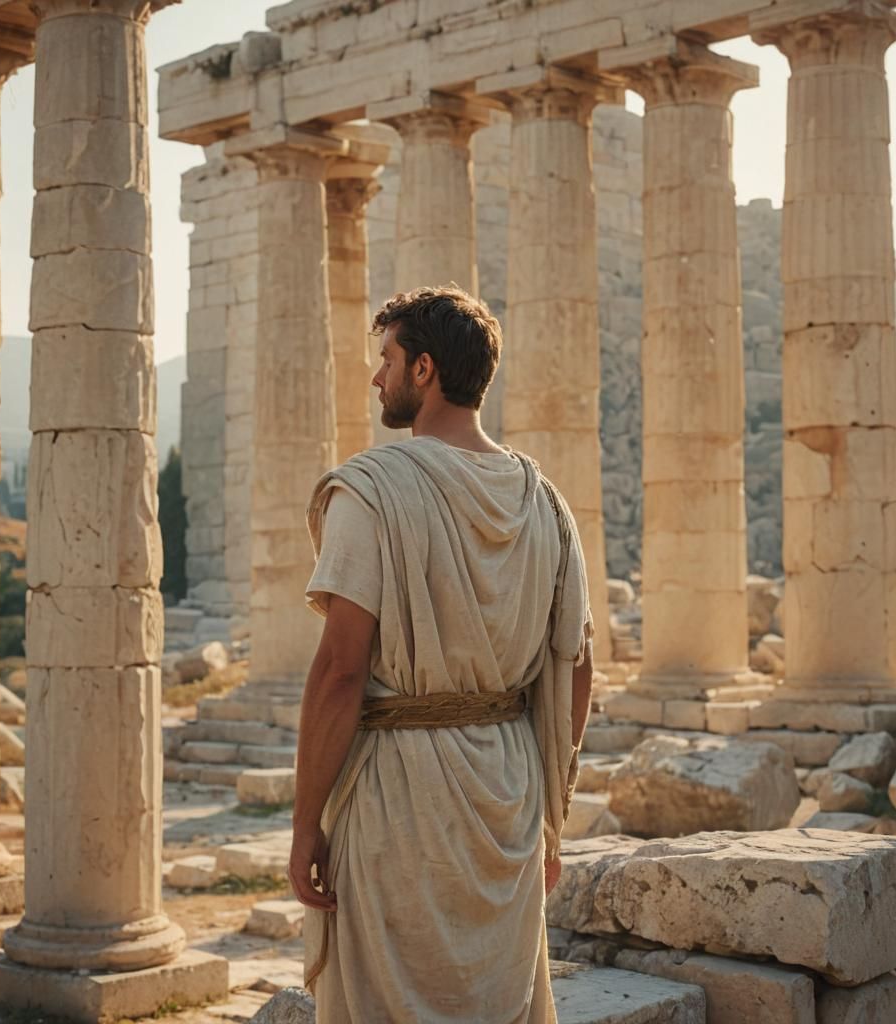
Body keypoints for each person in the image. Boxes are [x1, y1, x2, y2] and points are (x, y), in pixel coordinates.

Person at [289, 285, 594, 1022]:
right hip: (509, 791)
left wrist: (305, 825)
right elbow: (577, 668)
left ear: (423, 370)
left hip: (402, 796)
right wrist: (549, 813)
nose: (376, 377)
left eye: (386, 359)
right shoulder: (545, 501)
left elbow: (340, 670)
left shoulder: (373, 491)